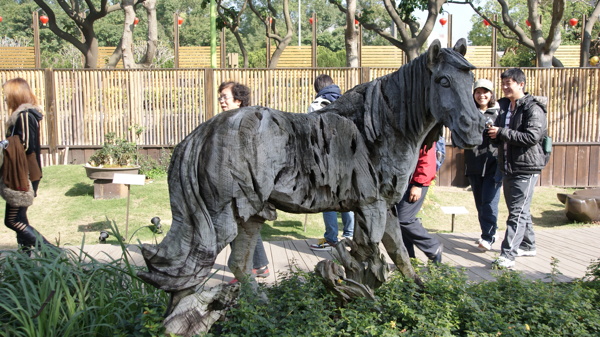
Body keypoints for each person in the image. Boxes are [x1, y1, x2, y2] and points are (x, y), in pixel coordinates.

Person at [487, 68, 548, 269]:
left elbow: (532, 137)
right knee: (520, 209)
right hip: (507, 165)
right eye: (503, 83)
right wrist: (493, 134)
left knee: (517, 212)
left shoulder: (533, 108)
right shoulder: (503, 106)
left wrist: (502, 132)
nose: (504, 87)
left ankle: (508, 255)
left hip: (527, 166)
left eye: (509, 83)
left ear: (521, 84)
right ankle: (528, 245)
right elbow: (500, 136)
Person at [219, 81, 270, 280]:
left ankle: (247, 268)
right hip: (234, 180)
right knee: (245, 225)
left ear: (238, 100)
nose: (221, 100)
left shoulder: (245, 120)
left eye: (225, 96)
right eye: (220, 96)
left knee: (241, 225)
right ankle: (259, 265)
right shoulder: (230, 118)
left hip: (244, 182)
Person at [1, 78, 54, 251]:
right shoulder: (24, 114)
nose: (5, 99)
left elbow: (25, 145)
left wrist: (4, 145)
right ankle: (25, 262)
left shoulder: (24, 115)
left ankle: (53, 253)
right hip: (26, 172)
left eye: (7, 95)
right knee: (20, 219)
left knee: (13, 220)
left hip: (23, 174)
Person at [307, 74, 355, 251]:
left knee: (328, 201)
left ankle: (331, 239)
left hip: (326, 161)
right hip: (348, 160)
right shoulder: (345, 102)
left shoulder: (317, 105)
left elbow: (311, 135)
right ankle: (350, 236)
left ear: (317, 88)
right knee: (347, 198)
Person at [465, 79, 502, 251]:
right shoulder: (468, 112)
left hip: (493, 165)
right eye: (478, 92)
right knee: (480, 202)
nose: (482, 95)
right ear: (474, 94)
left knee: (489, 202)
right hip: (474, 163)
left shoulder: (499, 113)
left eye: (485, 92)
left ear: (491, 94)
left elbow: (506, 136)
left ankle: (488, 236)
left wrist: (497, 133)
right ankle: (487, 232)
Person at [396, 143, 443, 263]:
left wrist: (418, 184)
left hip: (416, 183)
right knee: (397, 222)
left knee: (404, 219)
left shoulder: (423, 130)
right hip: (402, 181)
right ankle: (408, 260)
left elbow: (427, 158)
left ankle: (433, 247)